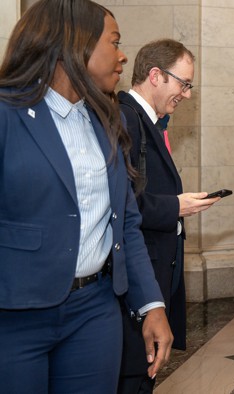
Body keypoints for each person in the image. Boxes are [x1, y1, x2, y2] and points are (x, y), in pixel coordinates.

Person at [0, 0, 173, 392]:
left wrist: (151, 305)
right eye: (114, 42)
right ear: (74, 43)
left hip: (94, 312)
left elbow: (126, 222)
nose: (123, 55)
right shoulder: (7, 114)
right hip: (14, 317)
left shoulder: (105, 120)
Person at [117, 39, 218, 393]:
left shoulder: (150, 121)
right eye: (183, 84)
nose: (187, 95)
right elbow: (123, 203)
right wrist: (177, 207)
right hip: (135, 279)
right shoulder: (126, 118)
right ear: (156, 75)